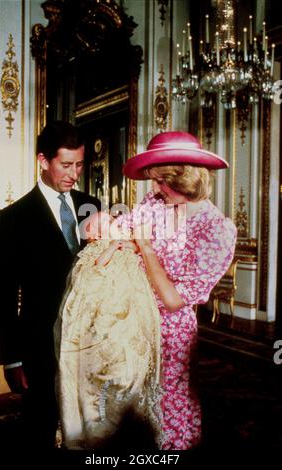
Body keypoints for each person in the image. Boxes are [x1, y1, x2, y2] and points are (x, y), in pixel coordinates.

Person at [115, 130, 237, 450]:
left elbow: (172, 300)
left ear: (185, 179)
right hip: (133, 324)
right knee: (130, 418)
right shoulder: (156, 203)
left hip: (171, 336)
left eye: (161, 181)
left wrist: (144, 246)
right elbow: (122, 235)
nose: (154, 188)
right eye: (153, 181)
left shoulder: (217, 231)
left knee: (168, 419)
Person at [0, 121, 100, 450]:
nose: (74, 173)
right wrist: (11, 360)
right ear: (43, 161)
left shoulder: (91, 206)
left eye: (80, 164)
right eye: (66, 165)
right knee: (39, 426)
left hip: (90, 341)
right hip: (39, 346)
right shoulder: (13, 218)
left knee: (89, 425)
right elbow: (6, 296)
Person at [55, 211, 162, 450]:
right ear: (95, 234)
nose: (113, 222)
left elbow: (141, 250)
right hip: (104, 311)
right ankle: (100, 426)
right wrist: (113, 248)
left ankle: (125, 419)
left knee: (128, 363)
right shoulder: (97, 249)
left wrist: (132, 246)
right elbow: (98, 264)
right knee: (102, 366)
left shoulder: (126, 241)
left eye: (112, 221)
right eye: (104, 222)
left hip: (129, 308)